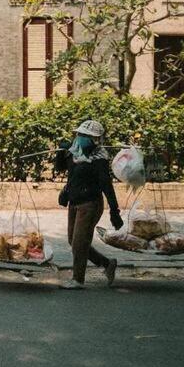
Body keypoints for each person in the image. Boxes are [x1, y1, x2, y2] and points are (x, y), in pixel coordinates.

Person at [56, 119, 122, 289]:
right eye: (80, 134)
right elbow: (60, 168)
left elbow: (106, 185)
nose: (81, 138)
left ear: (96, 140)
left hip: (90, 204)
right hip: (74, 202)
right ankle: (107, 264)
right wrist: (61, 151)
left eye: (86, 136)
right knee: (74, 241)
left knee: (79, 243)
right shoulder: (74, 151)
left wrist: (114, 210)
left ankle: (78, 279)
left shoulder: (99, 159)